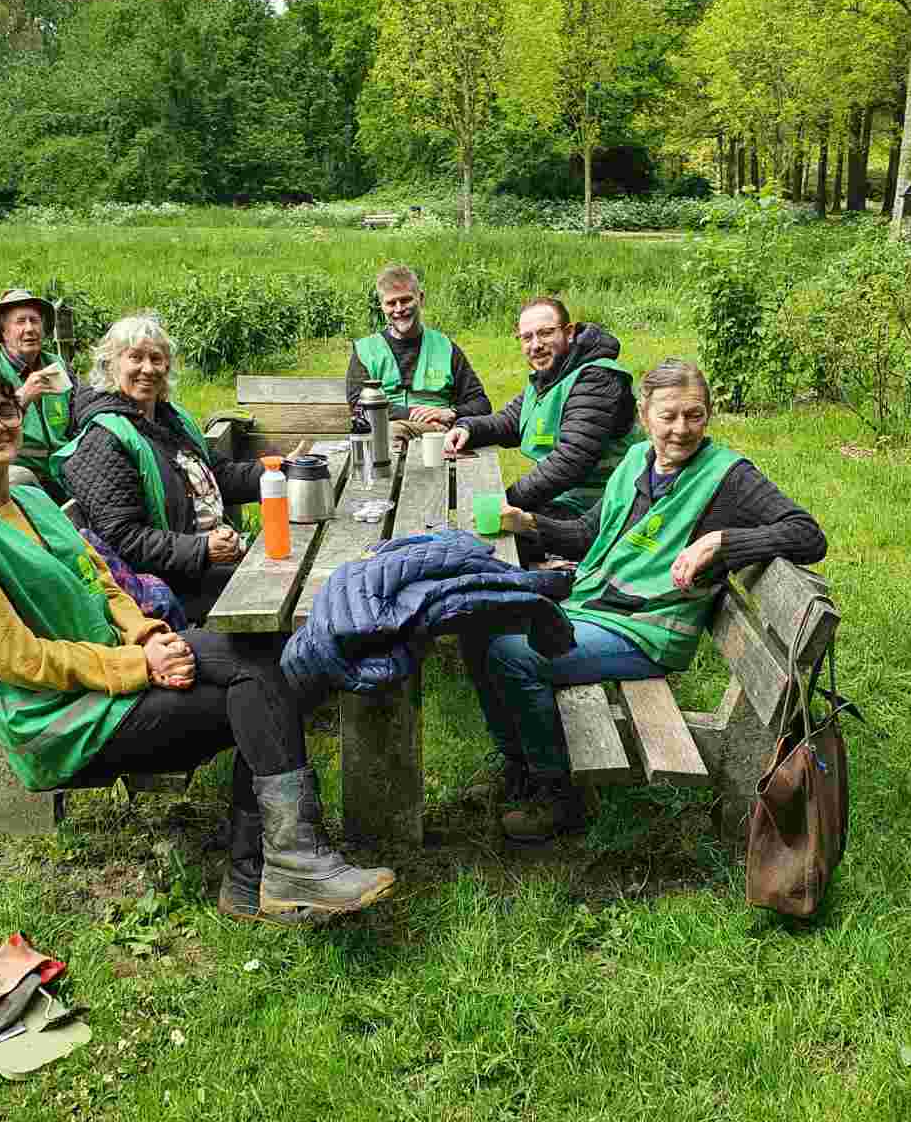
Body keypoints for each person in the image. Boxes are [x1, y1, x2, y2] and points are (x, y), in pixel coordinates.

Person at [0, 363, 395, 924]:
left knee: (267, 662)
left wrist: (147, 633)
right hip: (65, 718)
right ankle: (275, 868)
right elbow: (17, 660)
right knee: (261, 690)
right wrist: (137, 665)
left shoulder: (30, 500)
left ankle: (266, 872)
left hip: (115, 672)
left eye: (4, 410)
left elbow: (100, 578)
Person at [461, 358, 827, 843]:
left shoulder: (728, 477)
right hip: (600, 604)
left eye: (694, 415)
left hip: (649, 629)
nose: (681, 429)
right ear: (644, 415)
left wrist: (720, 542)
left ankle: (558, 796)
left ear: (708, 415)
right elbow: (591, 534)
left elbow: (808, 534)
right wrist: (529, 524)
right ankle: (520, 767)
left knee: (515, 655)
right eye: (669, 415)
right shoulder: (636, 461)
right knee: (475, 623)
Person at [53, 314, 269, 624]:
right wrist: (202, 549)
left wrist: (278, 472)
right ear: (111, 365)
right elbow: (123, 538)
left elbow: (217, 475)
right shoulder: (105, 439)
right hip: (169, 589)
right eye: (135, 358)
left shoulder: (170, 419)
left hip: (207, 564)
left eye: (157, 358)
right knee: (276, 589)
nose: (148, 368)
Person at [444, 297, 641, 562]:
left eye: (546, 333)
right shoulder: (553, 375)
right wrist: (468, 427)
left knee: (486, 547)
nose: (536, 345)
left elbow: (570, 462)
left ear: (569, 332)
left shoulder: (597, 378)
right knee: (471, 540)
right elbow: (509, 421)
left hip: (597, 511)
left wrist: (507, 499)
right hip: (564, 502)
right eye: (527, 338)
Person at [345, 264, 492, 436]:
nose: (399, 309)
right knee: (392, 432)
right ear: (382, 306)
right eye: (391, 303)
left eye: (406, 300)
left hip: (438, 438)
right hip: (382, 434)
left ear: (420, 298)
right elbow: (359, 404)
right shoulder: (366, 350)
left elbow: (481, 403)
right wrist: (410, 415)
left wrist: (450, 413)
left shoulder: (445, 347)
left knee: (394, 433)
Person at [0, 288, 75, 499]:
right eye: (20, 322)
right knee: (16, 478)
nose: (30, 328)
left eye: (35, 321)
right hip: (15, 468)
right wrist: (22, 397)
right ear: (4, 332)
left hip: (64, 466)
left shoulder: (57, 364)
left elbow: (78, 408)